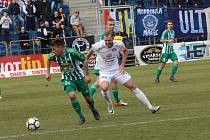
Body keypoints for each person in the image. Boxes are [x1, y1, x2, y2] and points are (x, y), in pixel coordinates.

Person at [86, 30, 160, 115]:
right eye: (105, 40)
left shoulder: (119, 44)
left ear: (113, 39)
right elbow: (86, 57)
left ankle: (151, 107)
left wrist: (122, 65)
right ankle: (109, 104)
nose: (107, 42)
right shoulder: (97, 46)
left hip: (117, 70)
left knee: (132, 86)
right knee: (104, 87)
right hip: (104, 71)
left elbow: (125, 51)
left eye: (109, 40)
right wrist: (86, 73)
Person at [45, 38, 100, 124]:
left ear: (61, 47)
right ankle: (81, 117)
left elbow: (85, 60)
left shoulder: (72, 52)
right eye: (52, 49)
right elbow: (48, 59)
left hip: (79, 78)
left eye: (54, 49)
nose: (53, 51)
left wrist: (86, 75)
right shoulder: (53, 55)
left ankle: (93, 109)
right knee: (72, 96)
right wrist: (48, 73)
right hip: (67, 78)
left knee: (88, 99)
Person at [89, 17, 128, 107]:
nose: (112, 26)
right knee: (98, 82)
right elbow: (100, 49)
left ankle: (117, 101)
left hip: (110, 63)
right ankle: (89, 98)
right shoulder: (105, 35)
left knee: (113, 81)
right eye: (110, 25)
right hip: (102, 64)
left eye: (113, 24)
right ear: (106, 25)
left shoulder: (111, 34)